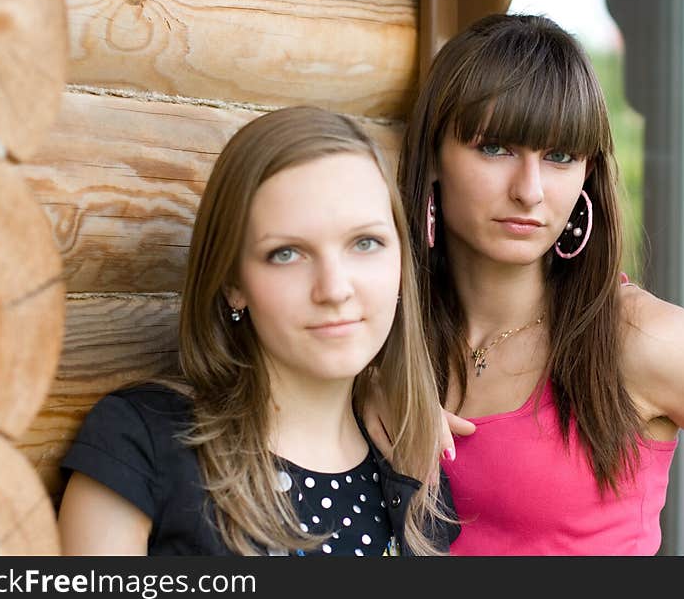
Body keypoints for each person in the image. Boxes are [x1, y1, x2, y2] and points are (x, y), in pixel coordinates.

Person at [365, 13, 684, 555]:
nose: (529, 191)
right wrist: (374, 387)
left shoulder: (639, 338)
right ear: (434, 157)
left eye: (559, 157)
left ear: (587, 175)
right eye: (495, 148)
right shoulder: (379, 331)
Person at [57, 106, 457, 556]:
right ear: (232, 284)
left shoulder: (409, 465)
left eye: (365, 243)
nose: (335, 289)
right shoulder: (144, 443)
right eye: (287, 253)